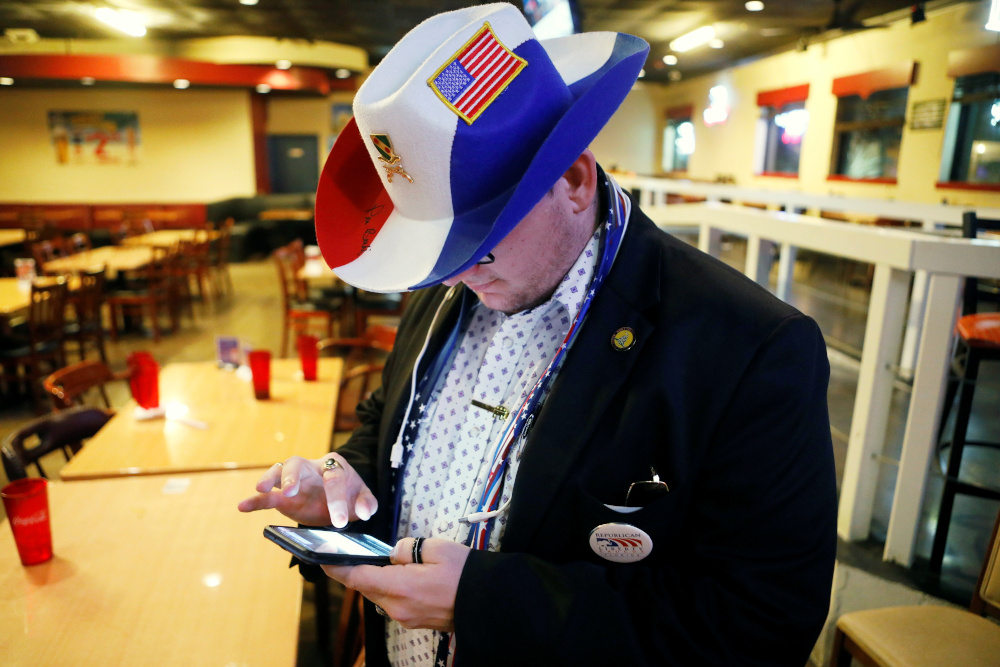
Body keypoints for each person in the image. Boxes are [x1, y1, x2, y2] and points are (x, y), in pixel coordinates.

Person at [239, 4, 837, 666]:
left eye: (484, 245)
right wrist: (342, 478)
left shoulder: (750, 350)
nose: (460, 276)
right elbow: (391, 420)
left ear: (574, 180)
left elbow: (760, 621)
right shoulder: (454, 285)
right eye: (442, 251)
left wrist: (484, 602)